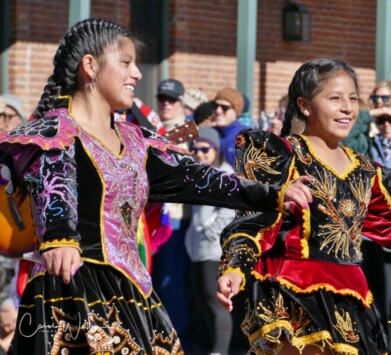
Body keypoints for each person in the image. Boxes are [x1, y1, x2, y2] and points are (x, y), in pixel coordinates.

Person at [0, 18, 311, 354]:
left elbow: (202, 178)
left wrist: (274, 193)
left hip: (135, 294)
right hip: (71, 292)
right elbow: (55, 186)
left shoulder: (137, 142)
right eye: (126, 63)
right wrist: (59, 237)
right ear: (89, 66)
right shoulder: (53, 135)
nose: (137, 74)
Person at [216, 58, 391, 354]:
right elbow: (253, 220)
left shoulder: (364, 169)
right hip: (295, 291)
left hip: (351, 296)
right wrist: (235, 266)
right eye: (335, 98)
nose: (347, 108)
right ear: (305, 105)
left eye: (353, 99)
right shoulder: (280, 156)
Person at [185, 127, 234, 355]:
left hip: (213, 250)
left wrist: (211, 234)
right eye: (195, 149)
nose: (200, 154)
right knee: (202, 301)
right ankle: (206, 347)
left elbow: (228, 212)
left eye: (205, 149)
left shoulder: (224, 174)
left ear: (216, 149)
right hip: (197, 250)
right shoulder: (199, 174)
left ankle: (219, 350)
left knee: (215, 302)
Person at [211, 87, 248, 167]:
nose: (218, 111)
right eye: (215, 106)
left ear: (236, 111)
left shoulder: (246, 136)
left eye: (225, 107)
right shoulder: (209, 131)